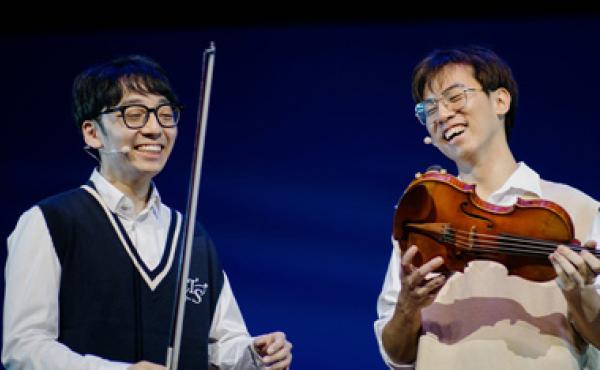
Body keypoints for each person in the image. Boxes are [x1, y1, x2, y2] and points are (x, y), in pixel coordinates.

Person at [2, 55, 292, 370]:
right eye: (135, 114)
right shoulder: (49, 222)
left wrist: (254, 354)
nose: (155, 129)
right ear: (92, 133)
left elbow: (221, 344)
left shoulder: (192, 235)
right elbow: (23, 349)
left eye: (166, 114)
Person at [374, 46, 600, 370]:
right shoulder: (421, 220)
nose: (442, 115)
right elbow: (396, 355)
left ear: (500, 102)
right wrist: (408, 308)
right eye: (429, 108)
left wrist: (579, 293)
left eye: (455, 97)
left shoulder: (579, 210)